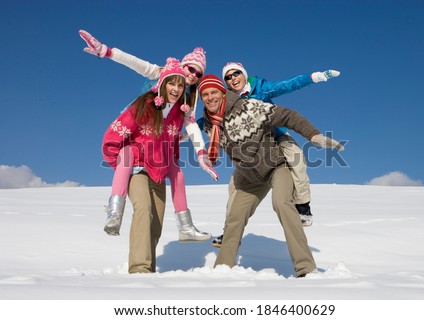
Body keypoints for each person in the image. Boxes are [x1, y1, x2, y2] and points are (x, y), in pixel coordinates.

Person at [198, 75, 344, 277]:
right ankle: (222, 269)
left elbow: (288, 116)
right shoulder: (208, 124)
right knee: (234, 217)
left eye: (214, 92)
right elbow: (184, 128)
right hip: (249, 178)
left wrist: (314, 135)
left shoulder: (249, 107)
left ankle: (305, 268)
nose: (210, 97)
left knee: (282, 203)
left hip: (275, 167)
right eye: (205, 94)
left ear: (223, 93)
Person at [79, 30, 217, 241]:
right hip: (136, 128)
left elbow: (190, 125)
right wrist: (107, 52)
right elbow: (136, 63)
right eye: (191, 69)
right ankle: (114, 212)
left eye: (198, 74)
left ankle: (186, 226)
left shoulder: (189, 97)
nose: (193, 76)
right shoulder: (164, 73)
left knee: (176, 171)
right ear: (182, 65)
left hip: (160, 140)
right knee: (126, 157)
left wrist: (200, 151)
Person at [102, 58, 196, 273]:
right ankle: (139, 269)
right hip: (136, 168)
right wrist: (120, 160)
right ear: (163, 84)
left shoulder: (178, 115)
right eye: (172, 83)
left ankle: (149, 271)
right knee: (143, 209)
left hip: (159, 172)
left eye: (180, 85)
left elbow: (171, 145)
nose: (176, 88)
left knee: (155, 225)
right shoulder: (145, 104)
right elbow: (116, 131)